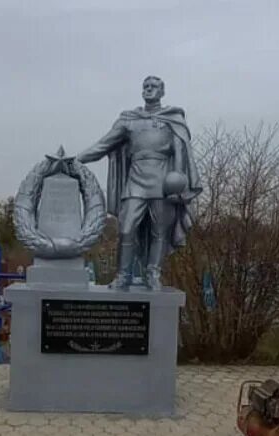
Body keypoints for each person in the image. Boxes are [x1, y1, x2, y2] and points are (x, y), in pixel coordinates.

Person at [75, 75, 202, 290]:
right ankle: (123, 275)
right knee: (126, 229)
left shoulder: (173, 119)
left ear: (162, 92)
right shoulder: (129, 120)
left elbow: (180, 153)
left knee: (159, 231)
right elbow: (103, 145)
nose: (149, 89)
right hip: (135, 181)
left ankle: (153, 273)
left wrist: (178, 184)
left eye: (154, 87)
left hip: (163, 183)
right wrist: (76, 160)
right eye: (146, 86)